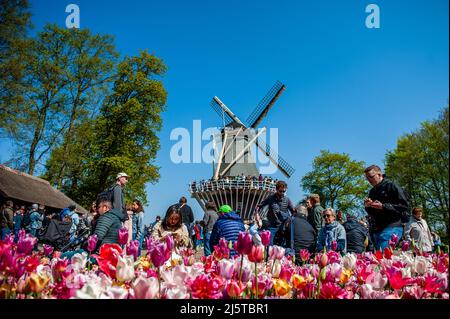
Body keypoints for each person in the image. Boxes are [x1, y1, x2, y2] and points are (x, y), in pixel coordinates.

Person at [364, 165, 410, 251]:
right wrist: (368, 206)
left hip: (392, 226)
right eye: (367, 178)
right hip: (377, 229)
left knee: (384, 256)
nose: (369, 180)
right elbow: (371, 213)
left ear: (379, 174)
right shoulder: (372, 191)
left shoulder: (392, 186)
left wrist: (383, 206)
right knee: (379, 258)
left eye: (371, 177)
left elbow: (405, 206)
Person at [256, 181, 295, 247]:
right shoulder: (270, 198)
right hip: (272, 225)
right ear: (276, 189)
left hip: (282, 226)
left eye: (284, 191)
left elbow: (293, 212)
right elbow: (259, 206)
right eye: (280, 191)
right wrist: (257, 215)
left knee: (281, 247)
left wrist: (289, 220)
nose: (282, 193)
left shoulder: (287, 200)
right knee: (269, 245)